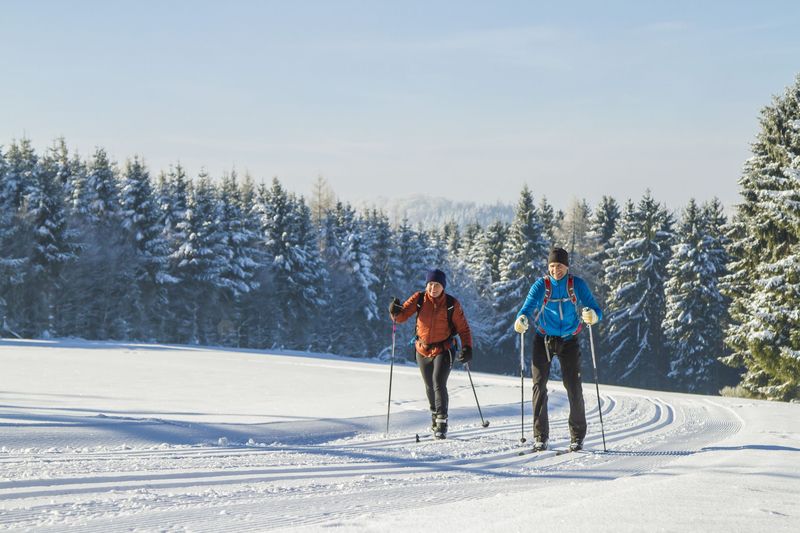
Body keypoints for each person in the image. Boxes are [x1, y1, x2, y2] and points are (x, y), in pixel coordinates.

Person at [513, 247, 602, 452]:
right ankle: (540, 436)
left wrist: (594, 316)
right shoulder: (541, 286)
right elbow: (526, 308)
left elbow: (595, 308)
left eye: (559, 266)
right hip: (543, 338)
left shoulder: (576, 284)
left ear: (567, 266)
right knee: (538, 385)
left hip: (569, 339)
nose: (555, 270)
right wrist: (521, 319)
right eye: (552, 266)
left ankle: (577, 436)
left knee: (573, 386)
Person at [389, 268, 473, 439]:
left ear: (443, 287)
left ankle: (442, 420)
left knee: (438, 382)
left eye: (437, 285)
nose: (433, 288)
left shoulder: (452, 304)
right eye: (430, 284)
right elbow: (401, 317)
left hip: (444, 348)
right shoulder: (419, 298)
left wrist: (467, 348)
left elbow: (463, 329)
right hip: (422, 349)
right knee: (429, 385)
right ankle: (435, 414)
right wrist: (394, 310)